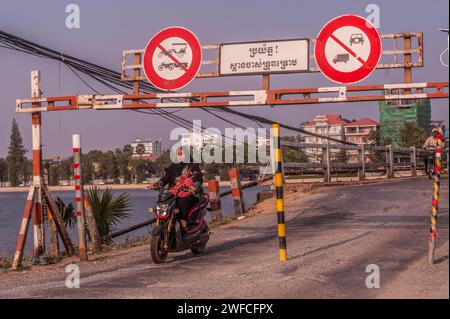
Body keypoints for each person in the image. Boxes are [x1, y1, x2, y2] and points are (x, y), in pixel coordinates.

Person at [156, 147, 204, 234]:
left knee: (182, 202)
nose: (179, 156)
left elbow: (198, 178)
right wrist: (157, 184)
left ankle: (184, 227)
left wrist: (194, 187)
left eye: (181, 154)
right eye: (178, 154)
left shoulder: (193, 166)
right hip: (175, 193)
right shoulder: (173, 167)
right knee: (163, 201)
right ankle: (164, 222)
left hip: (190, 194)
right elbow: (165, 178)